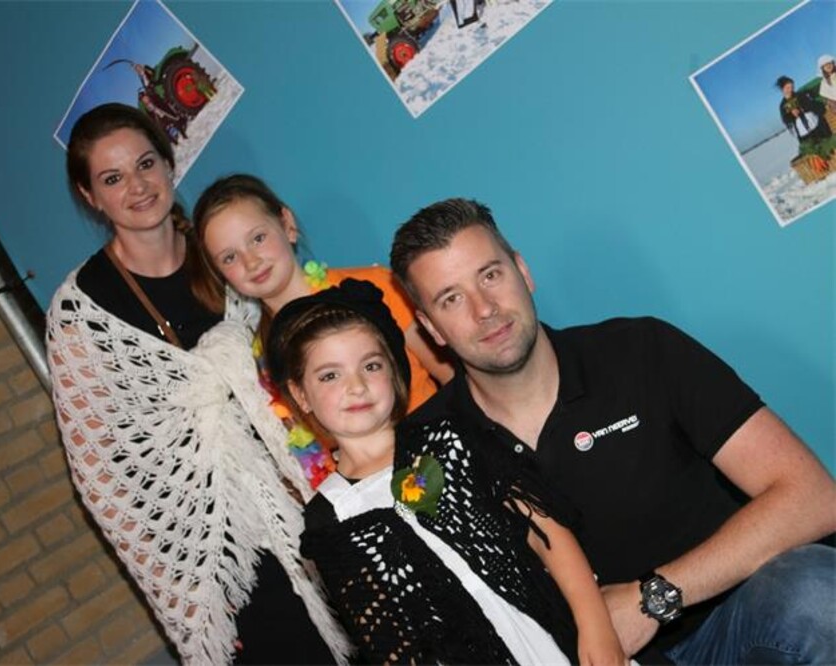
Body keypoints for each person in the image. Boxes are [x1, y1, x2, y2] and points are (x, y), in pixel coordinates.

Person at [389, 198, 836, 664]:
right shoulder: (427, 448)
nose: (484, 309)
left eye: (490, 275)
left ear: (522, 271)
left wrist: (656, 597)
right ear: (431, 328)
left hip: (730, 624)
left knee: (815, 592)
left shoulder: (640, 351)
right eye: (451, 298)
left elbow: (813, 497)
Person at [45, 103, 351, 665]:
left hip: (311, 494)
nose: (137, 187)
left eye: (146, 164)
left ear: (168, 163)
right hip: (219, 549)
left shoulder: (222, 256)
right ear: (90, 196)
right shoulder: (83, 313)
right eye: (112, 178)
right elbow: (101, 473)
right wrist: (186, 592)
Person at [266, 278, 629, 665]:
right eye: (330, 375)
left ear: (394, 371)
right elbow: (385, 638)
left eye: (370, 366)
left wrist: (596, 626)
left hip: (554, 640)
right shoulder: (329, 518)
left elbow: (545, 530)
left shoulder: (450, 438)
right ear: (300, 394)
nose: (356, 386)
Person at [191, 174, 453, 488]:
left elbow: (450, 376)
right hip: (372, 490)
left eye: (258, 238)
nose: (251, 261)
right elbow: (317, 450)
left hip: (440, 455)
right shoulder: (264, 361)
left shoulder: (373, 289)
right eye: (230, 257)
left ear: (287, 224)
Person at [776, 75, 831, 155]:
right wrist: (792, 115)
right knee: (815, 154)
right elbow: (785, 120)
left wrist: (803, 108)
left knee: (828, 145)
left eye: (792, 87)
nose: (791, 89)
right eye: (788, 88)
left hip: (817, 125)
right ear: (782, 89)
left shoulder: (801, 95)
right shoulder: (783, 105)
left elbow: (812, 105)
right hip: (804, 134)